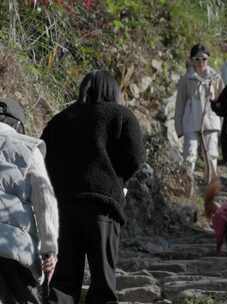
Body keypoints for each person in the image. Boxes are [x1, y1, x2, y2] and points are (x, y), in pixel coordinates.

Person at [42, 71, 145, 304]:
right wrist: (116, 179)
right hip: (104, 207)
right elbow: (136, 158)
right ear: (113, 91)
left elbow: (43, 161)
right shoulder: (121, 115)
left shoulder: (59, 120)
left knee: (63, 282)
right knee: (102, 284)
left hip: (64, 209)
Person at [0, 98, 59, 304]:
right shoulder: (28, 148)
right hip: (15, 248)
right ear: (18, 125)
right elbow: (45, 201)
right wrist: (49, 249)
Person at [175, 44, 225, 184]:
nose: (201, 63)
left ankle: (211, 185)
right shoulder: (187, 79)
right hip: (191, 121)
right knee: (189, 154)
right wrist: (179, 127)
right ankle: (187, 184)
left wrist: (221, 122)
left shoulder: (215, 77)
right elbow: (180, 103)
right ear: (191, 60)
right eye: (197, 59)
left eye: (204, 59)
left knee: (211, 154)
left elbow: (223, 101)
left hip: (210, 121)